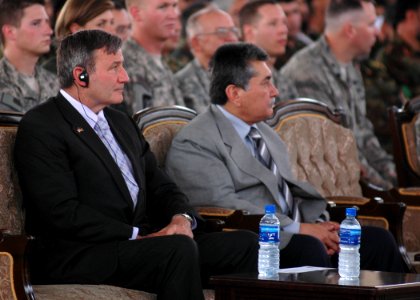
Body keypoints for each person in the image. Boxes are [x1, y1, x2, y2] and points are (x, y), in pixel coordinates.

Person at [14, 30, 259, 300]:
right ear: (80, 75)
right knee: (176, 250)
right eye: (115, 68)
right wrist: (138, 235)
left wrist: (182, 218)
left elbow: (161, 185)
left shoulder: (120, 122)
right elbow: (61, 212)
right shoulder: (43, 125)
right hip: (80, 253)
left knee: (245, 244)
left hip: (136, 244)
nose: (125, 77)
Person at [165, 42, 407, 272]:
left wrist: (319, 226)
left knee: (379, 240)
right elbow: (222, 205)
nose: (275, 91)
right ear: (235, 93)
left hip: (297, 229)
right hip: (255, 239)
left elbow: (288, 193)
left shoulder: (264, 132)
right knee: (309, 248)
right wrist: (302, 229)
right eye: (266, 83)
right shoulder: (196, 140)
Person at [280, 0, 396, 188]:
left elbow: (363, 133)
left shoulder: (350, 63)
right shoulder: (307, 72)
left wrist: (395, 176)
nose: (377, 32)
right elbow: (337, 151)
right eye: (370, 24)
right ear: (350, 30)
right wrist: (389, 190)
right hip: (333, 188)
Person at [123, 0, 185, 115]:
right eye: (163, 7)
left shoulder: (160, 61)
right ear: (136, 13)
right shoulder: (124, 64)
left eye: (175, 5)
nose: (174, 14)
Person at [175, 6, 239, 113]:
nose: (232, 38)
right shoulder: (181, 85)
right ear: (196, 42)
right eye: (221, 32)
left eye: (233, 31)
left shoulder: (247, 76)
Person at [0, 0, 58, 112]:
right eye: (36, 23)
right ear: (10, 32)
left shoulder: (55, 82)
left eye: (47, 22)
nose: (49, 31)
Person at [239, 0, 298, 101]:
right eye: (273, 24)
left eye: (284, 22)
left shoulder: (283, 80)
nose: (283, 30)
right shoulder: (236, 79)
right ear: (249, 32)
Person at [43, 0, 116, 73]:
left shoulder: (115, 65)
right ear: (77, 30)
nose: (112, 32)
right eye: (101, 24)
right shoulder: (51, 72)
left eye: (112, 22)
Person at [274, 0, 313, 70]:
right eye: (285, 14)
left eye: (295, 12)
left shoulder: (309, 42)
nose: (293, 20)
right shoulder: (272, 52)